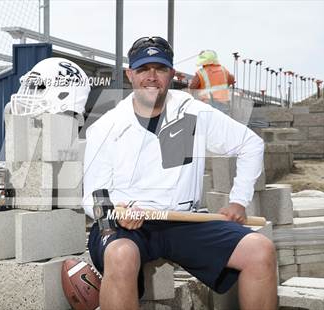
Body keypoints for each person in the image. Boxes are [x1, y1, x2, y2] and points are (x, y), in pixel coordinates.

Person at [83, 36, 276, 310]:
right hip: (128, 225)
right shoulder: (107, 126)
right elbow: (92, 194)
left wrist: (238, 200)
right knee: (121, 255)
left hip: (183, 219)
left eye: (160, 69)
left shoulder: (193, 112)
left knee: (260, 250)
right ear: (130, 75)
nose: (151, 77)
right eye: (143, 69)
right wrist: (116, 211)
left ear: (171, 73)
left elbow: (251, 144)